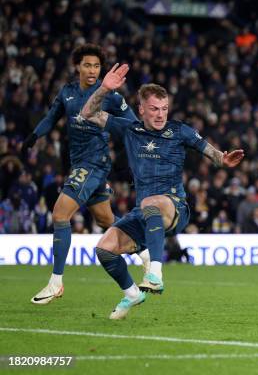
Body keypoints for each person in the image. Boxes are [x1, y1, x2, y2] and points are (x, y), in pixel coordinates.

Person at [81, 63, 244, 319]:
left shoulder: (179, 131)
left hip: (174, 206)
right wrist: (103, 89)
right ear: (141, 109)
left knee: (152, 202)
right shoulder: (129, 129)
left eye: (164, 108)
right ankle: (132, 293)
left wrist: (223, 159)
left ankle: (155, 271)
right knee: (104, 248)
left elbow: (210, 152)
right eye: (154, 109)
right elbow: (88, 113)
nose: (160, 114)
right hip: (144, 212)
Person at [22, 44, 150, 305]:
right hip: (78, 162)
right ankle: (143, 257)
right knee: (105, 219)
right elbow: (51, 117)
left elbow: (133, 125)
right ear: (77, 67)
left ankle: (56, 283)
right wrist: (35, 135)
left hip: (95, 161)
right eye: (87, 65)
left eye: (96, 66)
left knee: (60, 214)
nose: (92, 70)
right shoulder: (67, 92)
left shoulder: (110, 95)